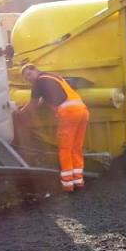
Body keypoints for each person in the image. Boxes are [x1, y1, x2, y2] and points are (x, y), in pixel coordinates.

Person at [19, 64, 90, 192]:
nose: (28, 79)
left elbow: (33, 104)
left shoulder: (38, 82)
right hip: (83, 110)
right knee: (76, 147)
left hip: (69, 113)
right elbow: (51, 95)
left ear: (35, 70)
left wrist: (20, 113)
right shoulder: (53, 76)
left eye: (29, 74)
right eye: (26, 78)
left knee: (65, 149)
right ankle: (78, 181)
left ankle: (68, 185)